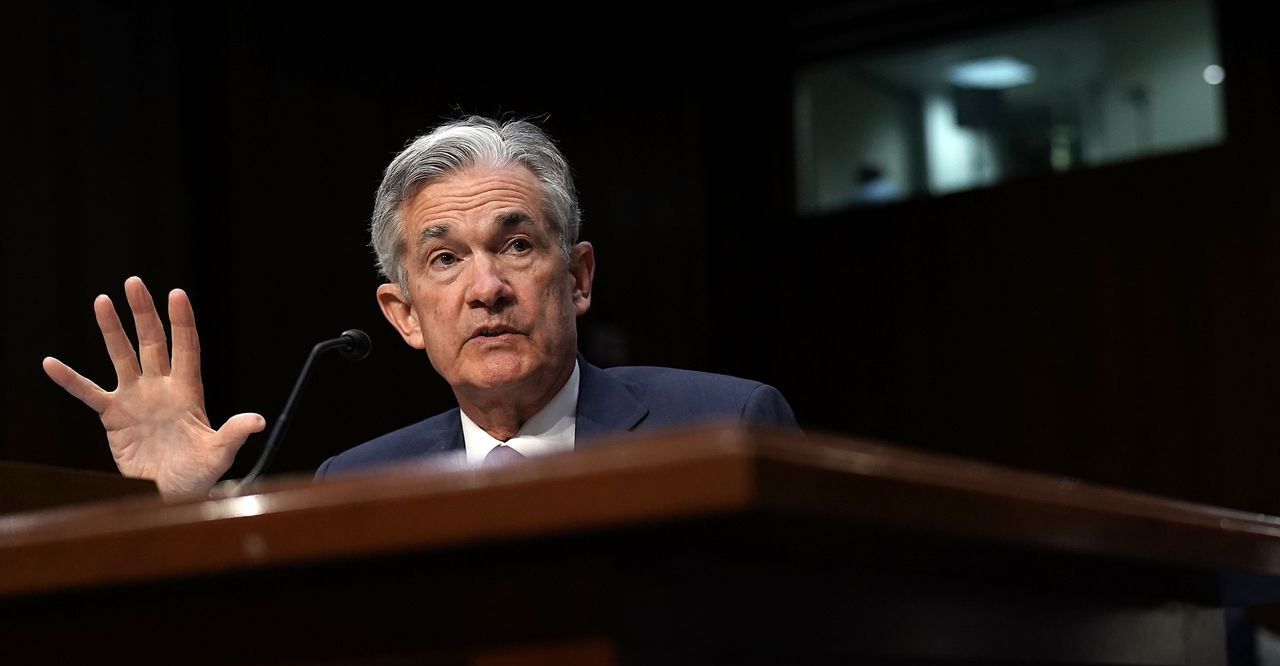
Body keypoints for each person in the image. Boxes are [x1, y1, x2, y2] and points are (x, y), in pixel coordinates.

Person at [42, 114, 799, 498]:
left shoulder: (724, 428)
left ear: (577, 277)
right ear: (403, 315)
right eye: (445, 259)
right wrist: (182, 509)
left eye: (516, 245)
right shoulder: (356, 483)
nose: (486, 287)